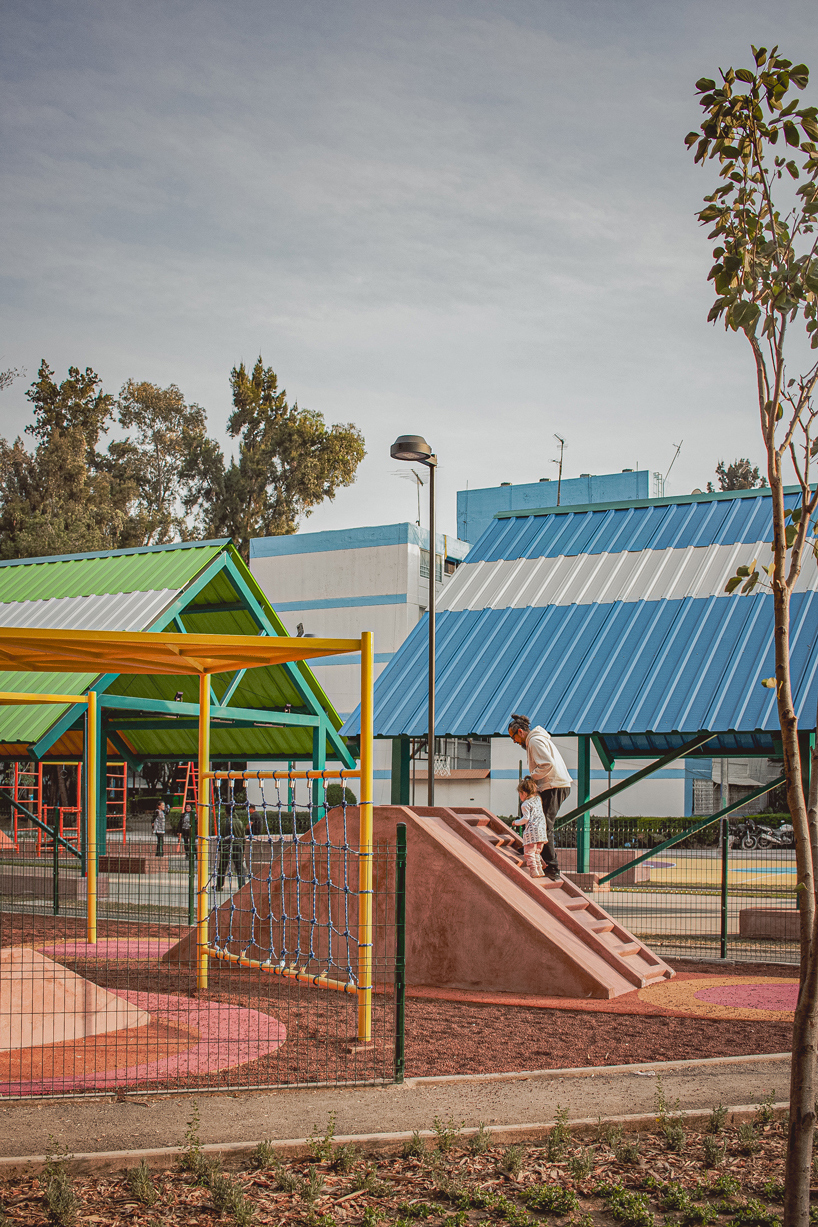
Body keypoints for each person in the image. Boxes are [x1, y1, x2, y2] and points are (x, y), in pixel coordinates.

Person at [507, 713, 571, 881]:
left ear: (520, 732)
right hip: (552, 784)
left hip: (553, 785)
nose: (514, 741)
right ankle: (530, 845)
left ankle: (552, 867)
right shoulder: (536, 739)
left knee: (544, 825)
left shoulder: (534, 741)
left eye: (513, 737)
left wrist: (532, 777)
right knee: (535, 819)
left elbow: (547, 764)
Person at [512, 776, 550, 877]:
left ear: (524, 793)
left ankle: (533, 870)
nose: (520, 796)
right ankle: (540, 870)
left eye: (520, 794)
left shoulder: (525, 804)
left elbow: (526, 819)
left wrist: (516, 822)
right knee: (537, 853)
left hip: (532, 833)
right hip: (542, 832)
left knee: (529, 853)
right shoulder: (538, 799)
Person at [215, 806, 248, 891]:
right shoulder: (240, 822)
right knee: (239, 867)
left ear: (226, 812)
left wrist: (220, 847)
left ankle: (219, 885)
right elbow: (243, 838)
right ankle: (242, 885)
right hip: (238, 846)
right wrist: (243, 850)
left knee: (222, 866)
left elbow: (221, 835)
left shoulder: (224, 822)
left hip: (226, 846)